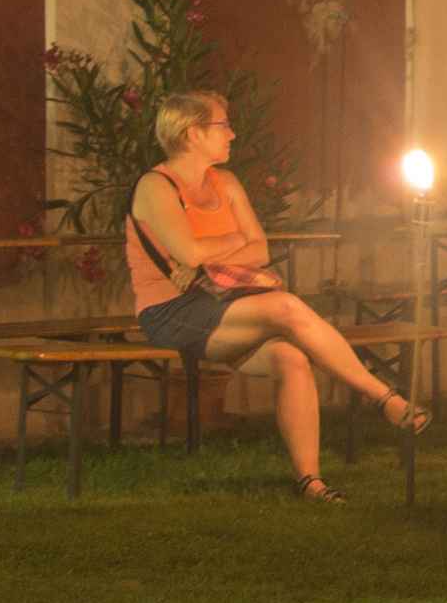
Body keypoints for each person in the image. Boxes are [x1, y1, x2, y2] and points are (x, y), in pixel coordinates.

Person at [128, 88, 425, 501]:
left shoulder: (226, 183)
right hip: (171, 311)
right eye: (223, 125)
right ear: (193, 133)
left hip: (226, 304)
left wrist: (210, 255)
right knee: (286, 306)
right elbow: (190, 252)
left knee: (291, 358)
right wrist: (233, 240)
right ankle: (384, 398)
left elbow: (260, 250)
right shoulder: (156, 187)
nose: (232, 134)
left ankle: (310, 482)